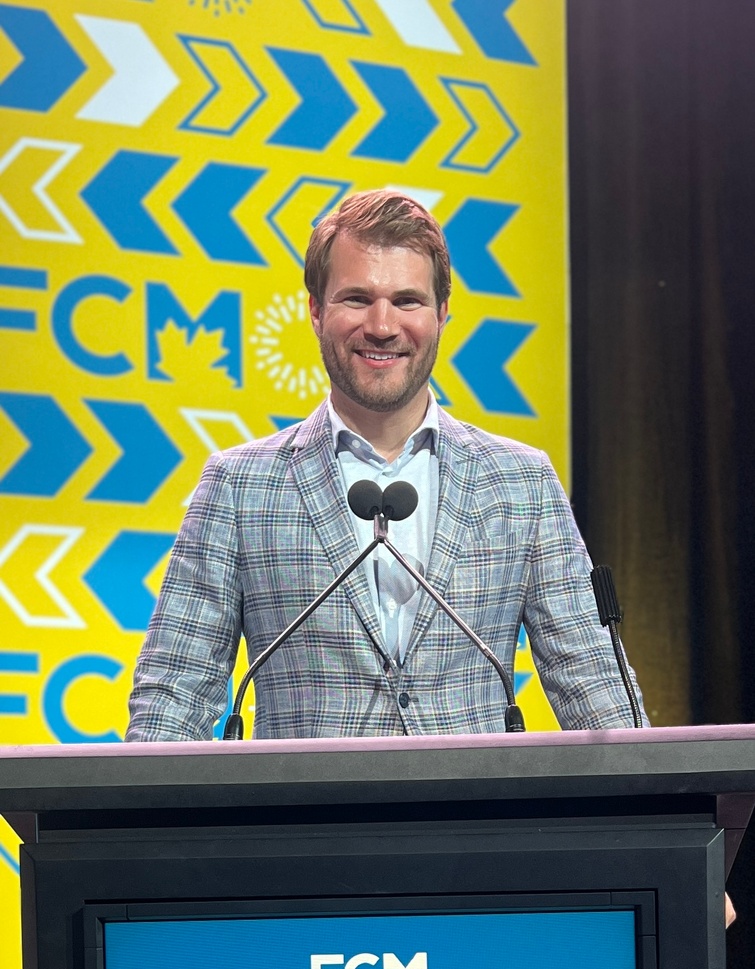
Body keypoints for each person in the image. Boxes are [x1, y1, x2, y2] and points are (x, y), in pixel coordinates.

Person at [126, 189, 646, 743]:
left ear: (442, 313)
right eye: (356, 298)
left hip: (475, 821)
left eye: (407, 300)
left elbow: (594, 688)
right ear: (315, 310)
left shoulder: (523, 483)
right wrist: (140, 824)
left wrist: (653, 807)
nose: (382, 325)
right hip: (299, 825)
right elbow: (173, 695)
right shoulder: (238, 486)